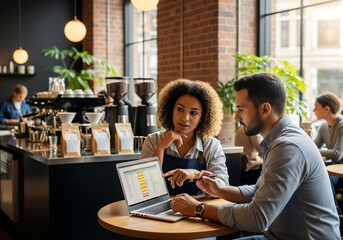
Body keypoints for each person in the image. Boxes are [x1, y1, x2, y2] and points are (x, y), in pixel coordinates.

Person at [170, 72, 340, 240]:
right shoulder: (280, 140)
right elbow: (259, 191)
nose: (236, 117)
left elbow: (258, 218)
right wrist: (220, 190)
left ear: (265, 109)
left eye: (241, 109)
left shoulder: (287, 147)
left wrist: (198, 208)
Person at [141, 79, 229, 196]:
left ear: (202, 117)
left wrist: (197, 174)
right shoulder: (153, 141)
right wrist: (161, 147)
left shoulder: (211, 145)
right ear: (171, 109)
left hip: (198, 210)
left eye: (193, 113)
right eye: (180, 109)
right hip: (161, 210)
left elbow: (223, 187)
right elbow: (144, 187)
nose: (185, 118)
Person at [312, 92, 343, 213]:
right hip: (335, 168)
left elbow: (337, 154)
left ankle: (334, 210)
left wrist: (315, 151)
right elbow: (314, 147)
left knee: (323, 174)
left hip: (340, 172)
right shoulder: (324, 126)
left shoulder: (341, 125)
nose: (314, 110)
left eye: (316, 107)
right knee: (313, 171)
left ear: (326, 109)